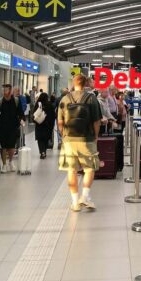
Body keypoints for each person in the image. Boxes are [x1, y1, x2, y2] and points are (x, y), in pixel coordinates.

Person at [58, 74, 102, 212]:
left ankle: (75, 202)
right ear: (86, 84)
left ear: (73, 83)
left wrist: (64, 135)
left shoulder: (65, 99)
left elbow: (60, 122)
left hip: (69, 139)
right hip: (86, 139)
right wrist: (96, 136)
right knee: (89, 169)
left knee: (71, 170)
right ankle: (85, 197)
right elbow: (97, 121)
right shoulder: (92, 98)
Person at [0, 84, 25, 173]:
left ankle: (11, 162)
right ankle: (4, 165)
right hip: (2, 127)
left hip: (13, 127)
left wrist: (22, 119)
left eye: (5, 90)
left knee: (12, 146)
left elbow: (21, 113)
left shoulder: (16, 101)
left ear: (10, 91)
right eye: (3, 90)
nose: (4, 92)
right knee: (3, 146)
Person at [34, 92, 55, 159]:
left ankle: (42, 152)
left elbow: (34, 114)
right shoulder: (49, 104)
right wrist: (52, 125)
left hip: (39, 125)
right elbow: (53, 115)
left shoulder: (38, 104)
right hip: (47, 125)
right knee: (46, 139)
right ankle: (44, 151)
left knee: (40, 139)